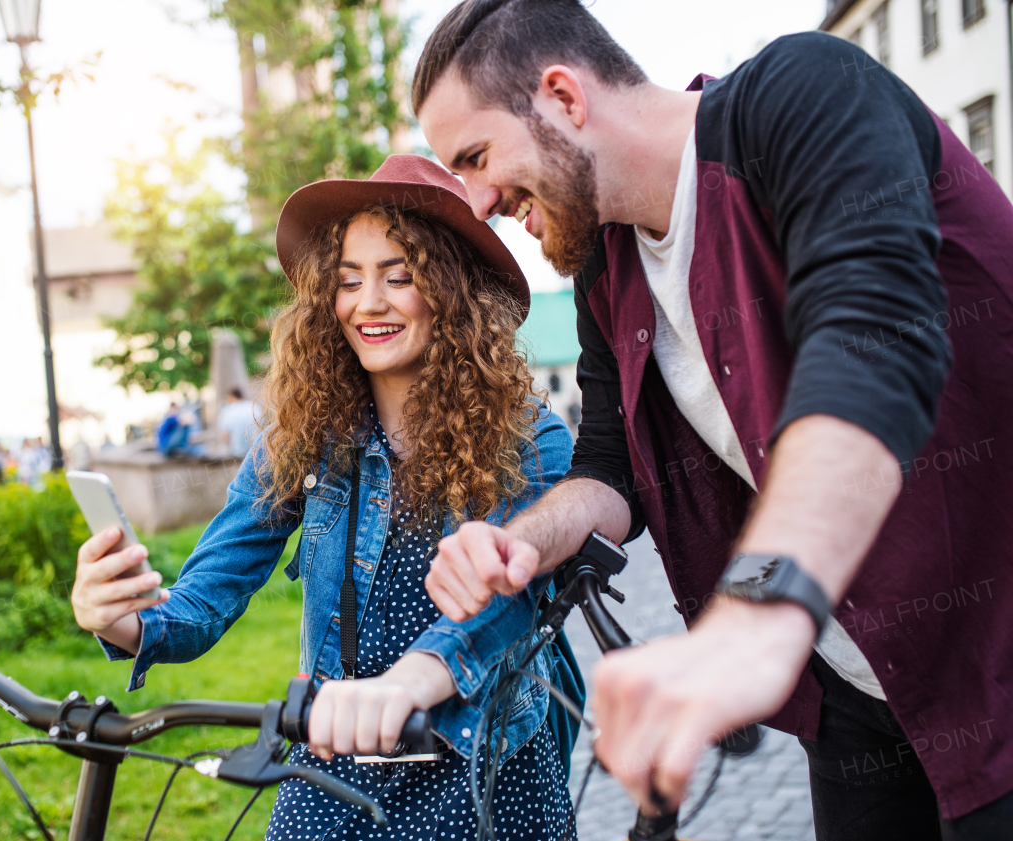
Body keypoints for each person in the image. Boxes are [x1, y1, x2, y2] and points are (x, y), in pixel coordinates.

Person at [412, 2, 1013, 837]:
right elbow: (608, 462)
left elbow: (874, 343)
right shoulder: (603, 265)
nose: (476, 204)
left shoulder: (804, 93)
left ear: (563, 97)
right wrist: (530, 538)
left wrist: (755, 620)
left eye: (475, 158)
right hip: (854, 692)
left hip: (989, 660)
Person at [71, 155, 582, 839]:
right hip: (332, 767)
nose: (368, 302)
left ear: (456, 290)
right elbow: (202, 598)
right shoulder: (306, 433)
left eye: (400, 275)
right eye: (348, 280)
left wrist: (406, 681)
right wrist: (120, 617)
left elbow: (508, 598)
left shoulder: (530, 438)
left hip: (482, 768)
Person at [215, 387, 258, 458]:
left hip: (237, 453)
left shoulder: (227, 410)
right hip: (255, 450)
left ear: (231, 397)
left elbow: (225, 435)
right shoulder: (254, 406)